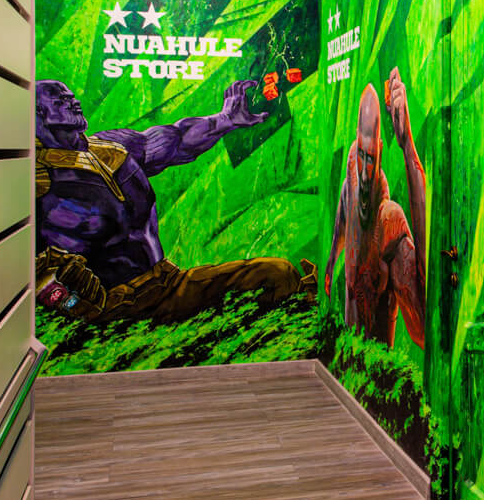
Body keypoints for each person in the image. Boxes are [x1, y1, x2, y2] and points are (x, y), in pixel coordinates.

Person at [35, 78, 314, 321]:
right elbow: (34, 271)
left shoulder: (110, 148)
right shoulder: (38, 181)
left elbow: (177, 139)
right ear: (38, 114)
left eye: (71, 96)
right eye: (60, 101)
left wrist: (225, 119)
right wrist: (71, 305)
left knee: (278, 274)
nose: (74, 102)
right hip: (113, 306)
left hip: (167, 284)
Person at [325, 67, 426, 348]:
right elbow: (342, 212)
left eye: (370, 159)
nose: (365, 172)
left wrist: (407, 146)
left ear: (380, 151)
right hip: (348, 357)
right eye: (361, 155)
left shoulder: (389, 222)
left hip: (376, 367)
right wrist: (331, 261)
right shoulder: (352, 175)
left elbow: (424, 324)